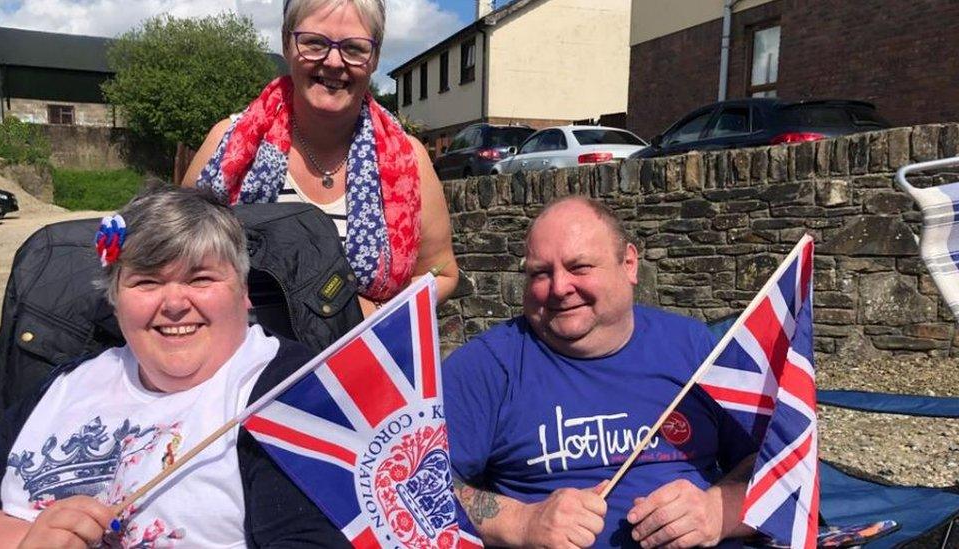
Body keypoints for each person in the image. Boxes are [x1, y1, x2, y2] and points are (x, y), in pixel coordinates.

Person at [0, 188, 349, 548]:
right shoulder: (65, 384)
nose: (174, 303)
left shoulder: (285, 393)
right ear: (115, 300)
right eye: (147, 282)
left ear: (243, 290)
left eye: (200, 278)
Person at [443, 196, 758, 548]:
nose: (559, 287)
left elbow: (783, 467)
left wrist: (721, 509)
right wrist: (520, 521)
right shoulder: (486, 367)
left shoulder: (696, 348)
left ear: (629, 264)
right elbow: (411, 486)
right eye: (540, 272)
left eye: (579, 267)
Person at [183, 0, 458, 317]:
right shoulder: (226, 145)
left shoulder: (410, 161)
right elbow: (180, 261)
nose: (333, 61)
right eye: (315, 43)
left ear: (375, 58)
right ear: (288, 44)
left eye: (354, 48)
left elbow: (442, 273)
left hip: (357, 360)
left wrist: (367, 314)